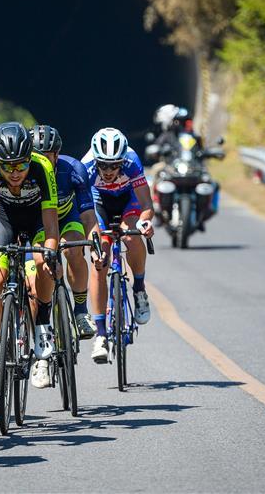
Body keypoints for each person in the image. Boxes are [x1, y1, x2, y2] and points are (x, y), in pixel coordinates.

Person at [0, 122, 60, 391]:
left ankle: (42, 327)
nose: (15, 173)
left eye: (21, 166)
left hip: (36, 218)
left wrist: (49, 252)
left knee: (42, 265)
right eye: (8, 167)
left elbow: (51, 226)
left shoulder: (41, 167)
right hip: (1, 218)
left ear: (29, 159)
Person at [82, 128, 156, 364]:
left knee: (131, 236)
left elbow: (146, 204)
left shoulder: (132, 161)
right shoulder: (86, 168)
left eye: (115, 166)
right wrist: (95, 239)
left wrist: (144, 223)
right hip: (98, 203)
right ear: (96, 161)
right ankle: (101, 334)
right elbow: (86, 214)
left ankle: (139, 290)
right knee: (98, 259)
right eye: (104, 165)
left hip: (128, 202)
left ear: (123, 160)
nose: (109, 171)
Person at [28, 125, 101, 339]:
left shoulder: (73, 169)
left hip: (67, 218)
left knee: (74, 250)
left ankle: (80, 311)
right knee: (39, 272)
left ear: (57, 154)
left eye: (46, 156)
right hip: (38, 223)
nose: (40, 161)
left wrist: (95, 245)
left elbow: (88, 216)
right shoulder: (24, 173)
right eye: (35, 156)